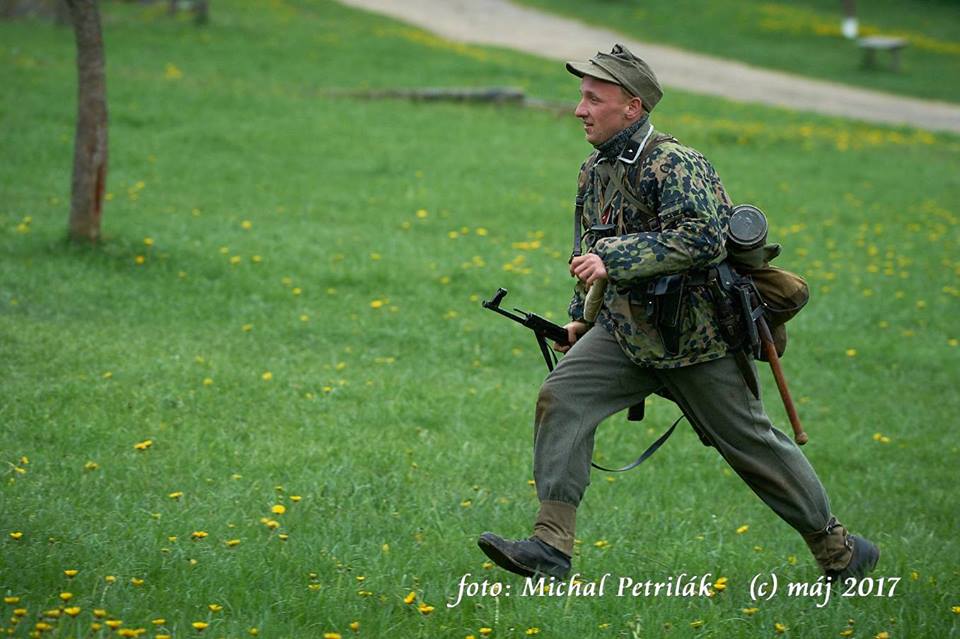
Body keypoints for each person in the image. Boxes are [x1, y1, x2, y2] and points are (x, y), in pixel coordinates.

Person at [478, 44, 878, 584]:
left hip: (697, 339)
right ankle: (551, 547)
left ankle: (841, 553)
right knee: (562, 396)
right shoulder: (593, 171)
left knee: (751, 446)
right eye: (581, 98)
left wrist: (613, 258)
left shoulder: (675, 162)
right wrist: (582, 318)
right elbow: (591, 251)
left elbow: (703, 239)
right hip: (624, 331)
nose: (580, 109)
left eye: (593, 99)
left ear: (633, 107)